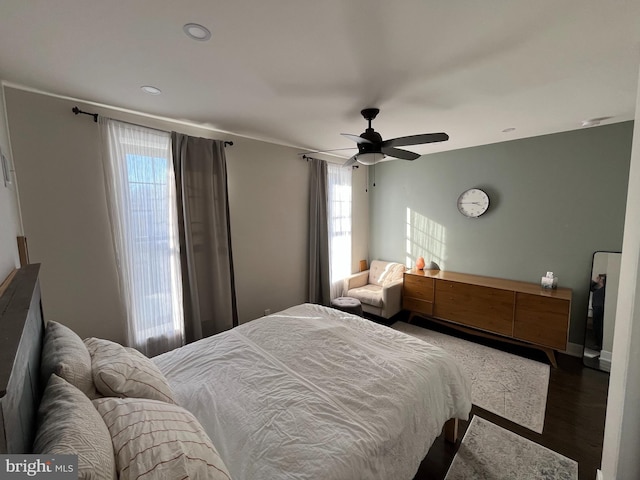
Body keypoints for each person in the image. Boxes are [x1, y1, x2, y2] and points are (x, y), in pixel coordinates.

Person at [590, 274, 606, 350]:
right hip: (597, 307)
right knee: (597, 326)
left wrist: (597, 282)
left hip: (598, 308)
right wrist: (596, 282)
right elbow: (590, 287)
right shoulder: (599, 290)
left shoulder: (602, 291)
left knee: (597, 326)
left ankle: (598, 343)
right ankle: (597, 343)